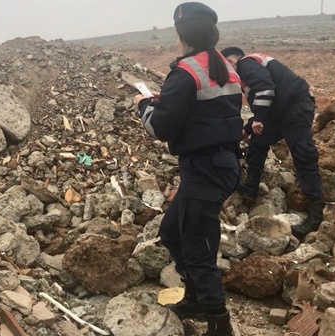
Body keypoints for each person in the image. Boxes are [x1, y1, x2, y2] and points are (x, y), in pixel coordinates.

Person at [132, 3, 242, 335]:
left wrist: (142, 108)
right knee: (172, 232)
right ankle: (195, 296)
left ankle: (219, 324)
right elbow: (207, 113)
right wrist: (165, 102)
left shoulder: (185, 72)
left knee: (197, 247)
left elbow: (162, 128)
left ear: (182, 34)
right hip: (219, 164)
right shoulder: (224, 65)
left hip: (205, 167)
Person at [220, 46, 324, 240]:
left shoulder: (246, 64)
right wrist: (249, 127)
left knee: (303, 153)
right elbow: (267, 104)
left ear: (232, 61)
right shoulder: (247, 73)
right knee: (258, 141)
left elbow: (266, 89)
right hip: (280, 112)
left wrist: (258, 119)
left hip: (296, 107)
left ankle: (316, 213)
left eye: (227, 65)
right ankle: (251, 186)